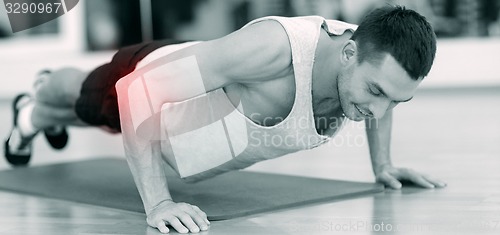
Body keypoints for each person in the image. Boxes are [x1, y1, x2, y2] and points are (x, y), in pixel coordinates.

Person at [4, 5, 447, 234]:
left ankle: (39, 113)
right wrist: (159, 204)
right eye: (375, 92)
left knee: (100, 120)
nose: (379, 110)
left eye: (396, 101)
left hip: (184, 132)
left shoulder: (366, 64)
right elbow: (134, 92)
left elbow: (381, 98)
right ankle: (37, 102)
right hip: (150, 84)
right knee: (86, 99)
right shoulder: (274, 51)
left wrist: (383, 165)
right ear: (348, 53)